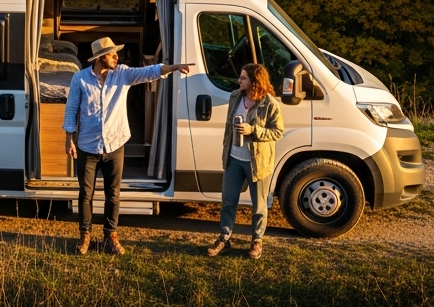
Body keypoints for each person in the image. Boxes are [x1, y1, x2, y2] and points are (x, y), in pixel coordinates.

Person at [64, 36, 191, 255]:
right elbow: (71, 109)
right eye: (112, 54)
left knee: (113, 193)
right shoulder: (80, 79)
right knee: (86, 194)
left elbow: (149, 72)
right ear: (100, 58)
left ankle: (110, 236)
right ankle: (85, 236)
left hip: (115, 144)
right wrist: (69, 140)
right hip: (87, 145)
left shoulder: (121, 73)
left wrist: (174, 67)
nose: (117, 57)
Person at [206, 62, 284, 259]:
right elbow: (227, 127)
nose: (238, 80)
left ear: (254, 81)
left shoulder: (270, 104)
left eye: (243, 78)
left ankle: (257, 241)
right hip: (234, 159)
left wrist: (253, 130)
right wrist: (226, 152)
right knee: (228, 202)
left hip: (257, 162)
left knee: (258, 206)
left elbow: (278, 132)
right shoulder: (235, 97)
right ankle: (224, 239)